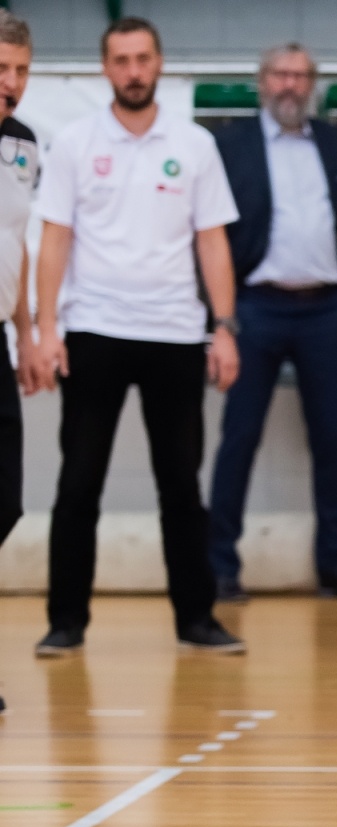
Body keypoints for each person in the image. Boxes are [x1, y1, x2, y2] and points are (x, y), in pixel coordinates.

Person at [25, 17, 244, 655]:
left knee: (180, 484)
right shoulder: (72, 142)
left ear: (159, 63)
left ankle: (196, 619)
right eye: (121, 60)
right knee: (78, 482)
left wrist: (223, 328)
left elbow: (213, 242)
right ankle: (65, 622)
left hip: (176, 333)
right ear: (105, 69)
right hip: (93, 329)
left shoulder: (195, 144)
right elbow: (54, 239)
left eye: (143, 58)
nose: (133, 70)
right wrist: (46, 327)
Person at [209, 43, 337, 601]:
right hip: (254, 307)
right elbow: (210, 230)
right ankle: (219, 567)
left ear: (312, 84)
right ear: (262, 81)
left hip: (325, 309)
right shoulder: (230, 143)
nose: (290, 85)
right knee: (240, 436)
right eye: (281, 74)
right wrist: (221, 314)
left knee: (331, 440)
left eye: (301, 76)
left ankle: (335, 566)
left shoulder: (332, 140)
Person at [0, 10, 37, 711]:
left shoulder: (25, 145)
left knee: (5, 500)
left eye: (21, 72)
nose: (9, 83)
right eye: (0, 69)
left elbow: (19, 244)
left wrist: (29, 333)